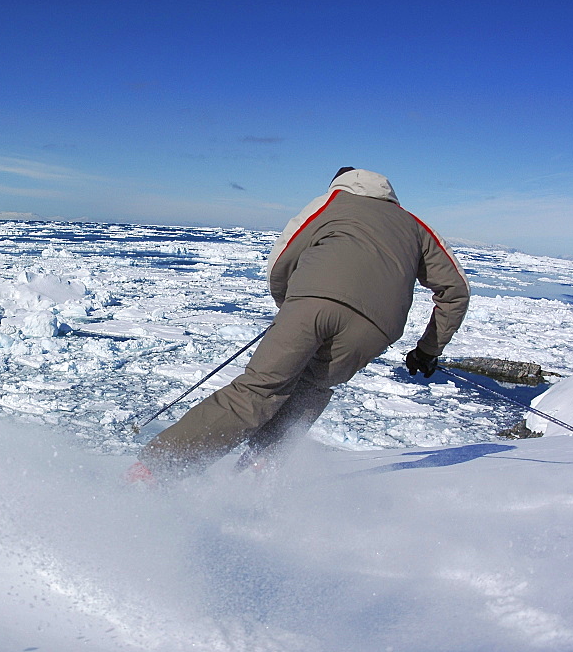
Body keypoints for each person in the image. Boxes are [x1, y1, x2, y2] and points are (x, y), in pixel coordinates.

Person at [126, 167, 471, 483]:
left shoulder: (333, 202)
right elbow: (455, 291)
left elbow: (282, 258)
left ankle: (156, 470)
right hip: (374, 328)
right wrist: (427, 350)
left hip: (312, 304)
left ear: (340, 182)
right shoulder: (415, 226)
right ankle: (256, 472)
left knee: (258, 390)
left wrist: (292, 306)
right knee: (311, 390)